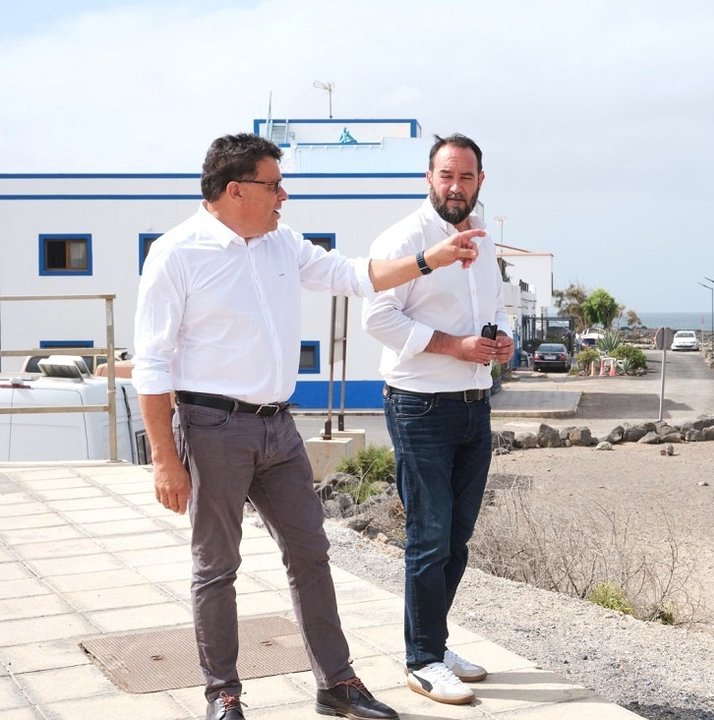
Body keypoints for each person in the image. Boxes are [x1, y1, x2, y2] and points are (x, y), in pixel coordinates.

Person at [132, 132, 483, 720]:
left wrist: (429, 259)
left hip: (279, 428)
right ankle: (224, 694)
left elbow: (353, 275)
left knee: (311, 554)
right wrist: (165, 458)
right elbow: (152, 363)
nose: (283, 196)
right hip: (211, 424)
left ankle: (336, 684)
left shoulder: (281, 242)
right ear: (236, 189)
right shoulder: (176, 253)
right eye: (273, 185)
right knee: (217, 568)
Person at [361, 134, 513, 705]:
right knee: (428, 537)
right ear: (429, 177)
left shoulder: (484, 238)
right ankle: (422, 660)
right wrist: (455, 347)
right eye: (446, 175)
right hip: (420, 404)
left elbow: (494, 308)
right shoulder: (405, 238)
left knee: (457, 538)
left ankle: (435, 643)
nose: (456, 186)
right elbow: (379, 318)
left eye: (466, 177)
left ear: (480, 180)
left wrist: (500, 342)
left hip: (475, 404)